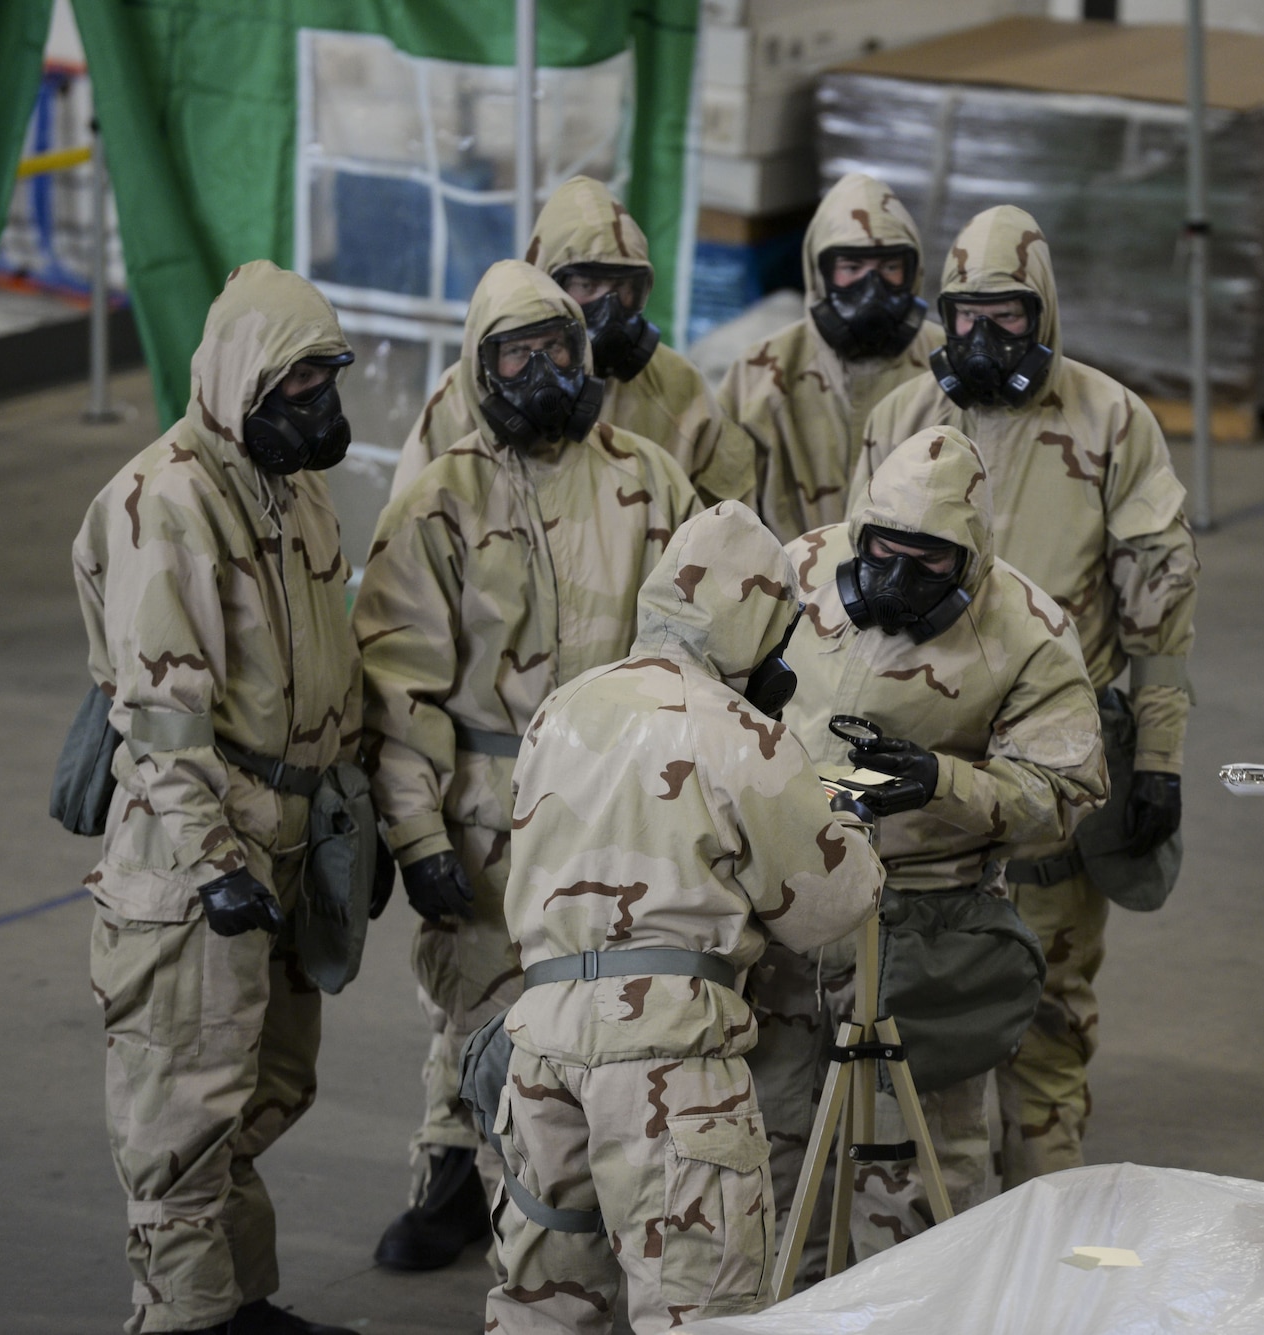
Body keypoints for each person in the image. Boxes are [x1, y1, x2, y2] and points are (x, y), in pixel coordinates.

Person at [357, 259, 701, 1270]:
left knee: (618, 1024)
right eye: (517, 353)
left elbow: (699, 645)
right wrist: (418, 836)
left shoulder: (647, 477)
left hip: (621, 807)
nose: (542, 368)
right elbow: (396, 688)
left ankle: (602, 1236)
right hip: (486, 815)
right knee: (485, 1025)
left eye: (557, 347)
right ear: (480, 366)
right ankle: (496, 1225)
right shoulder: (436, 501)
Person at [856, 205, 1197, 1189]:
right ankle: (935, 1207)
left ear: (1042, 312)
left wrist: (1160, 759)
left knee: (1047, 1006)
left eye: (1005, 316)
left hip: (1051, 756)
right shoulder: (897, 421)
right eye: (962, 316)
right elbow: (854, 587)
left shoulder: (1110, 422)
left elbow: (1158, 612)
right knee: (920, 993)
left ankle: (1047, 1196)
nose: (980, 339)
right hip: (916, 767)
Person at [483, 501, 885, 1334]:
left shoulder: (564, 706)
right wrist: (841, 819)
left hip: (538, 1051)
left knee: (543, 1306)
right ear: (755, 625)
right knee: (701, 1310)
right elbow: (831, 908)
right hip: (667, 1069)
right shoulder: (743, 734)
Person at [73, 260, 368, 1335]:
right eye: (301, 389)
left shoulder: (292, 485)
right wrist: (211, 862)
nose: (323, 409)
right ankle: (181, 1319)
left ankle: (237, 1304)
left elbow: (332, 658)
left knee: (264, 1091)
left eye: (329, 381)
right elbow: (160, 718)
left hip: (285, 840)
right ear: (243, 381)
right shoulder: (167, 503)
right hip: (199, 858)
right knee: (182, 1119)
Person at [751, 425, 1106, 1267]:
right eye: (882, 549)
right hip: (782, 922)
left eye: (930, 562)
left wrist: (943, 783)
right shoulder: (795, 574)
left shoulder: (1026, 628)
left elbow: (1066, 792)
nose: (899, 578)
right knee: (770, 1154)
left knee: (911, 1179)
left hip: (922, 924)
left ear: (971, 559)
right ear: (857, 531)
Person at [392, 175, 753, 506]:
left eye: (624, 290)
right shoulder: (467, 395)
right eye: (587, 287)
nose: (609, 310)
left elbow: (733, 528)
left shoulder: (677, 387)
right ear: (546, 284)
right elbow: (409, 542)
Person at [720, 171, 945, 542]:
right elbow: (724, 509)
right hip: (791, 587)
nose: (871, 290)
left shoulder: (945, 367)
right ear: (818, 272)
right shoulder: (760, 372)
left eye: (889, 268)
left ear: (913, 273)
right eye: (852, 269)